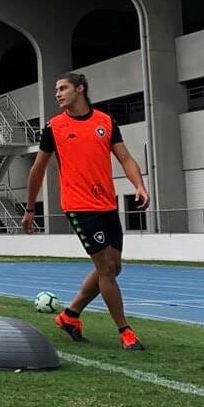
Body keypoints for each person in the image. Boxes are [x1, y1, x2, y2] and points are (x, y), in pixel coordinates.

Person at [24, 72, 150, 351]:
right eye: (56, 89)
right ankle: (125, 331)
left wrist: (139, 186)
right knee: (105, 267)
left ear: (80, 89)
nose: (57, 94)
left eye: (63, 88)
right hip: (78, 206)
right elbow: (37, 169)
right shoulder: (53, 127)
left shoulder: (105, 122)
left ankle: (69, 315)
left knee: (114, 267)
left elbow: (126, 158)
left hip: (108, 204)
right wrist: (31, 208)